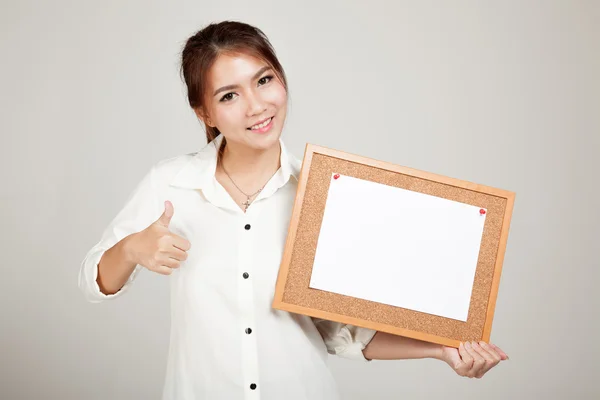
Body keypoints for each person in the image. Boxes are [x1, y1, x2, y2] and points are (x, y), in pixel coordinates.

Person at [78, 20, 508, 400]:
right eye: (229, 95)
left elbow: (343, 334)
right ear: (203, 111)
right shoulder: (171, 184)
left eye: (264, 80)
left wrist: (442, 348)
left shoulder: (324, 193)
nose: (257, 105)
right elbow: (94, 279)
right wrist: (133, 248)